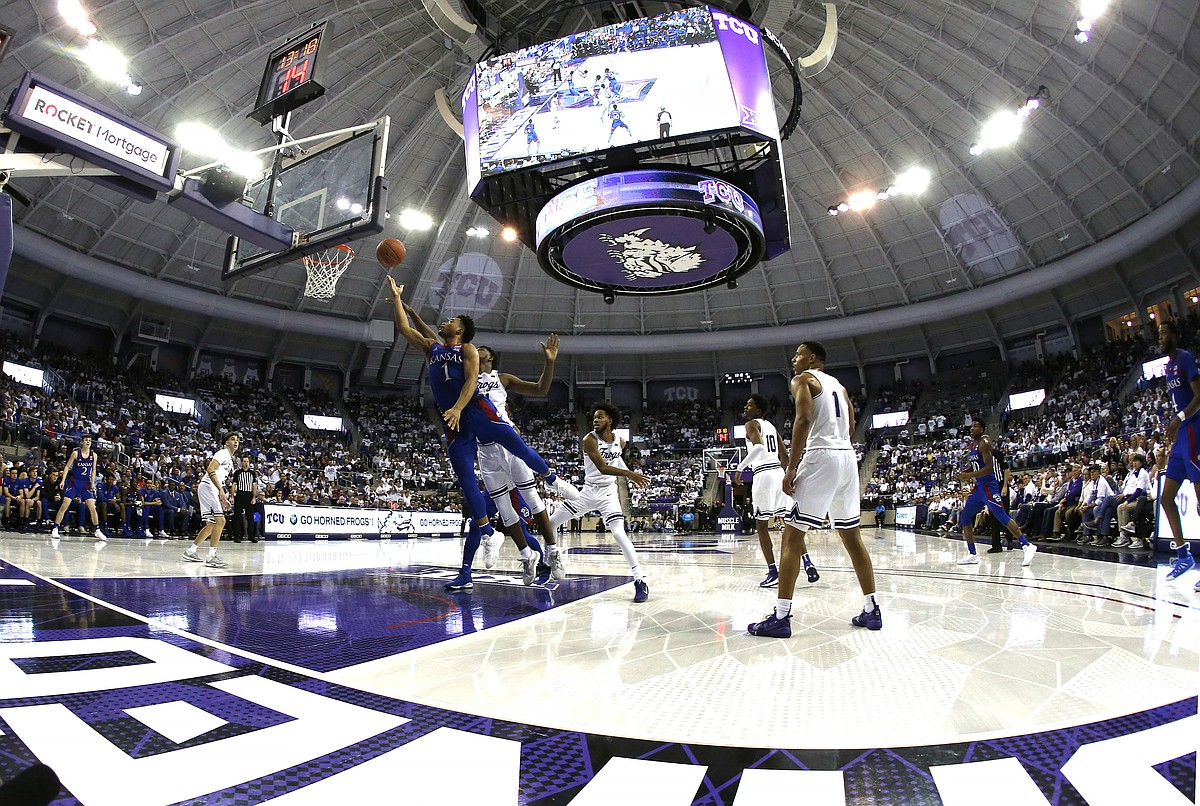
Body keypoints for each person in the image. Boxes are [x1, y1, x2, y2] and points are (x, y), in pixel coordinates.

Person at [386, 276, 577, 591]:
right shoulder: (439, 350)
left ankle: (554, 514)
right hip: (480, 443)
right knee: (491, 499)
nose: (483, 352)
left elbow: (493, 381)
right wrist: (399, 302)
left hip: (482, 418)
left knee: (531, 496)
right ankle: (509, 545)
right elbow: (417, 331)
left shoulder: (489, 369)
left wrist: (548, 363)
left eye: (487, 353)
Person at [749, 342, 880, 637]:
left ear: (811, 358)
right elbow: (851, 424)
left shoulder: (803, 379)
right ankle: (872, 609)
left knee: (792, 536)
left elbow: (804, 419)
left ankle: (781, 617)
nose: (793, 359)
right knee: (852, 537)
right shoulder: (841, 387)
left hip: (822, 456)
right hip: (847, 458)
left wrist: (793, 466)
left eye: (797, 354)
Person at [547, 402, 650, 602]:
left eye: (600, 416)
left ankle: (640, 580)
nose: (596, 419)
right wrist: (630, 474)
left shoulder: (620, 441)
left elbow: (616, 461)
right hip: (587, 492)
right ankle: (548, 559)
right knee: (551, 523)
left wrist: (631, 475)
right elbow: (603, 467)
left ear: (610, 420)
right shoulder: (589, 440)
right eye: (594, 416)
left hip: (608, 493)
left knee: (619, 533)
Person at [953, 417, 1036, 566]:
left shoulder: (984, 444)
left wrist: (969, 475)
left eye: (976, 426)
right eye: (971, 426)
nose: (972, 428)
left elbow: (989, 468)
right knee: (965, 517)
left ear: (982, 429)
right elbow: (976, 466)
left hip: (989, 487)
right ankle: (972, 554)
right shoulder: (972, 445)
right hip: (978, 488)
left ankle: (1027, 545)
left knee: (1001, 516)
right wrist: (964, 473)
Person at [1154, 319, 1199, 582]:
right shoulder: (1168, 366)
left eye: (1164, 333)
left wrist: (1179, 417)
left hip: (1194, 429)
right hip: (1181, 437)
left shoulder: (1185, 358)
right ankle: (1184, 556)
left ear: (1174, 335)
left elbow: (1199, 396)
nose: (1160, 337)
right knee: (1166, 499)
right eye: (1158, 334)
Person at [731, 394, 790, 587]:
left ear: (758, 410)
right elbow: (785, 456)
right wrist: (789, 474)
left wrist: (740, 468)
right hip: (779, 472)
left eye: (750, 405)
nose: (746, 407)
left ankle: (773, 571)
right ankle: (806, 562)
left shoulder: (750, 425)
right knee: (788, 523)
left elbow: (757, 450)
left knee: (762, 526)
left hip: (764, 474)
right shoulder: (772, 427)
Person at [183, 433, 239, 569]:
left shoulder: (230, 459)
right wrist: (220, 490)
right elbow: (210, 469)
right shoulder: (223, 453)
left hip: (210, 488)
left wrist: (223, 495)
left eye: (237, 440)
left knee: (211, 524)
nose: (236, 442)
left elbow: (218, 477)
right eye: (232, 439)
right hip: (208, 487)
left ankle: (190, 551)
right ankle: (212, 557)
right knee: (221, 521)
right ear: (226, 443)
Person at [50, 435, 105, 541]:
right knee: (64, 505)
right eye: (86, 440)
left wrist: (93, 483)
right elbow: (66, 467)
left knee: (92, 507)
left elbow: (93, 470)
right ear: (82, 442)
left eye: (89, 440)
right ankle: (55, 528)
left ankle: (97, 530)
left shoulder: (94, 455)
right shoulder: (76, 453)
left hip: (86, 483)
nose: (88, 442)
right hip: (74, 482)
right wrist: (62, 480)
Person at [230, 456, 259, 543]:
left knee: (250, 517)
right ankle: (236, 536)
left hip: (249, 495)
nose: (246, 463)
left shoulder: (252, 473)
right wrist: (232, 496)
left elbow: (254, 486)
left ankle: (251, 536)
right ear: (241, 462)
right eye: (244, 461)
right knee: (237, 516)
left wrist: (254, 497)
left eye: (247, 461)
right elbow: (234, 485)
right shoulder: (237, 473)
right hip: (240, 494)